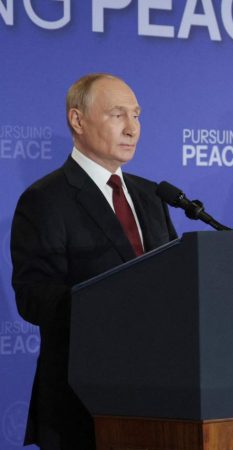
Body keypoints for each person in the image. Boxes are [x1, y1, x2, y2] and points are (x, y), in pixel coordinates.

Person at [10, 74, 178, 449]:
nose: (132, 128)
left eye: (136, 115)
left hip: (162, 397)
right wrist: (113, 302)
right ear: (78, 120)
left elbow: (174, 279)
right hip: (83, 404)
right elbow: (33, 296)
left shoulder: (152, 195)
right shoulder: (45, 199)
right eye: (118, 115)